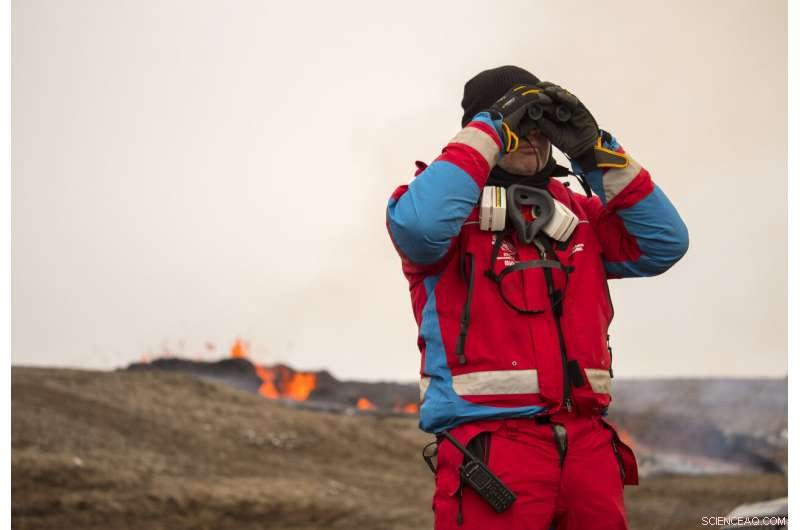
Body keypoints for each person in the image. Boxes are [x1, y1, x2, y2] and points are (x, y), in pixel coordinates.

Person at [385, 65, 689, 530]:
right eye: (519, 125)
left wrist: (594, 151)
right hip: (491, 451)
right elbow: (419, 228)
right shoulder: (444, 220)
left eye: (541, 125)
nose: (531, 136)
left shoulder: (582, 216)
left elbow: (665, 242)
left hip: (588, 450)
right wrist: (492, 127)